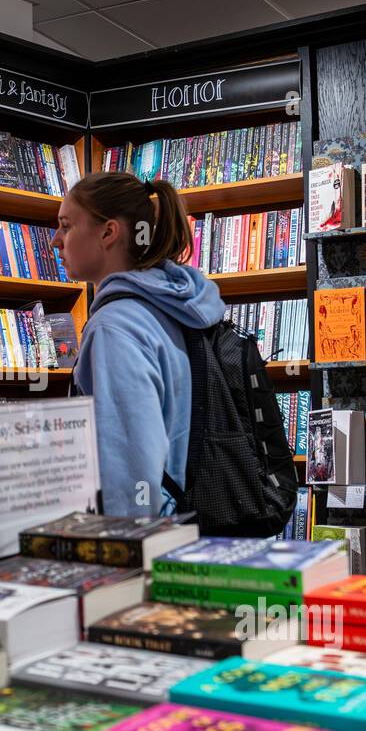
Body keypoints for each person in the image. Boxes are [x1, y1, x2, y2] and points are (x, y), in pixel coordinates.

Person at [51, 171, 225, 517]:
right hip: (192, 524)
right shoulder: (173, 306)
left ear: (108, 232)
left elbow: (130, 465)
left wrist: (126, 548)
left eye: (67, 226)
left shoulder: (115, 327)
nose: (56, 241)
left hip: (148, 539)